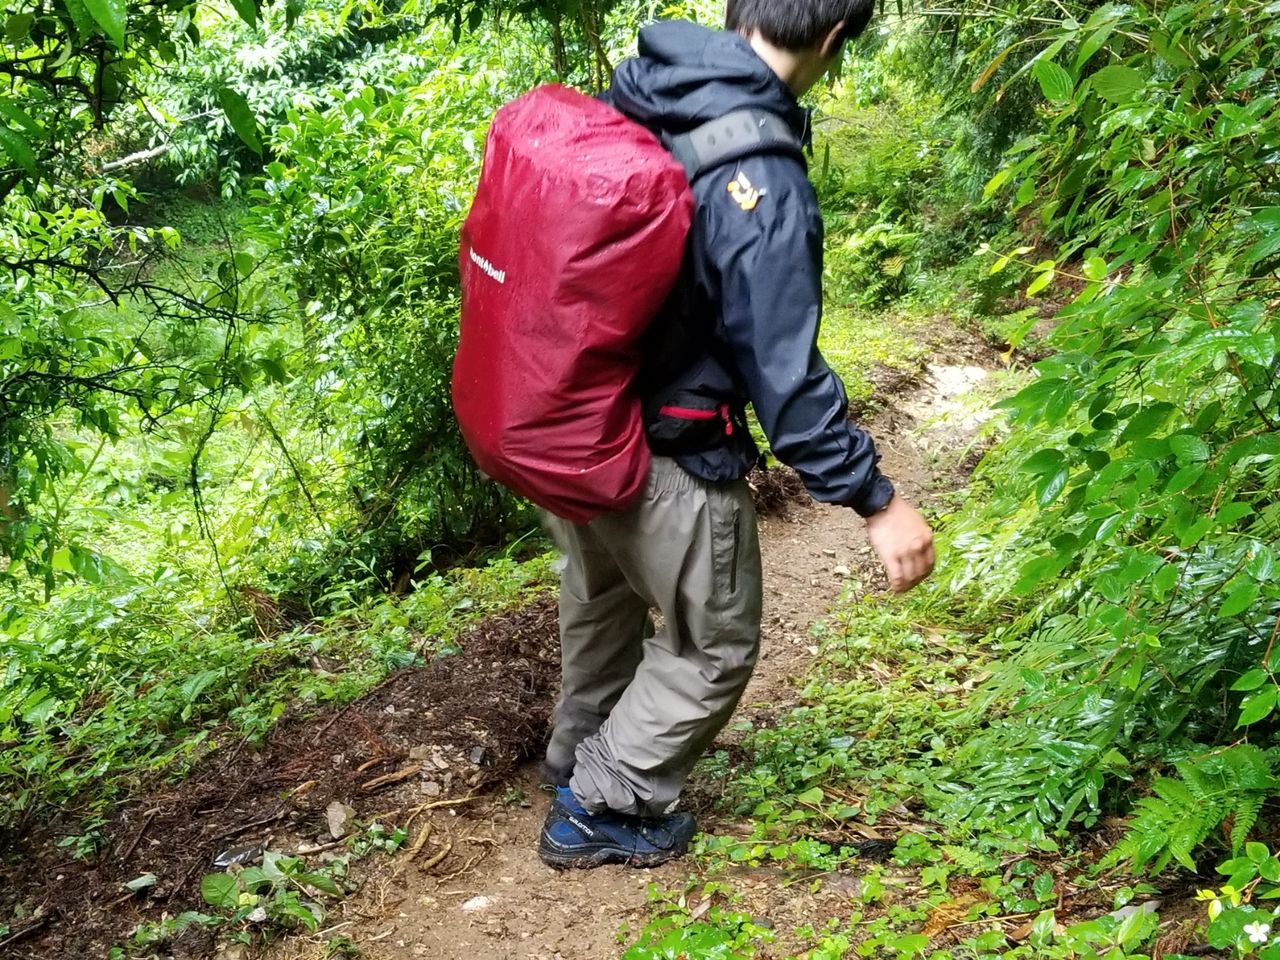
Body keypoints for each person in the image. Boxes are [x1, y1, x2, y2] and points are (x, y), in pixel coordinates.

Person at [537, 0, 936, 870]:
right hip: (669, 451)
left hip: (568, 425)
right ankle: (601, 803)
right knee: (714, 642)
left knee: (601, 601)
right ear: (833, 37)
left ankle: (576, 755)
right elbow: (782, 374)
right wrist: (876, 499)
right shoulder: (758, 169)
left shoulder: (638, 93)